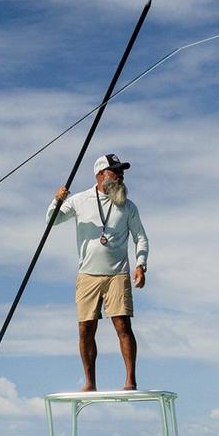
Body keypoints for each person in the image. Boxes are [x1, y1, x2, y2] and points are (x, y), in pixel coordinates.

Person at [47, 153, 148, 391]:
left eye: (122, 172)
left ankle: (130, 380)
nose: (121, 176)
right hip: (87, 274)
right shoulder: (80, 200)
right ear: (101, 174)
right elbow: (53, 220)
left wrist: (141, 264)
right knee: (85, 328)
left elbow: (140, 237)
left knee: (122, 325)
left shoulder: (128, 206)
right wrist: (57, 201)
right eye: (116, 171)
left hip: (118, 274)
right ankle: (90, 382)